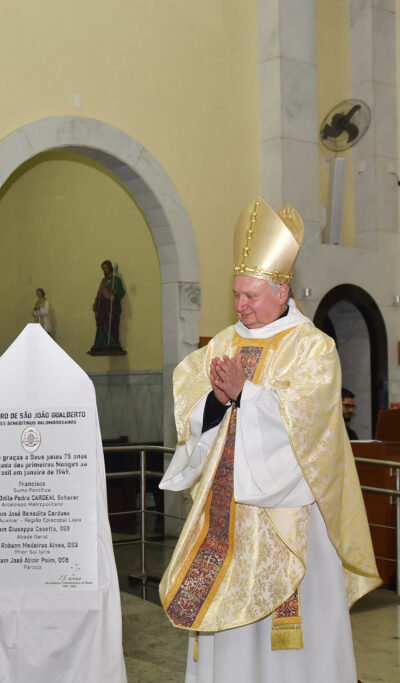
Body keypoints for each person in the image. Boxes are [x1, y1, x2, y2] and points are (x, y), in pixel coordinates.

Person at [158, 198, 380, 682]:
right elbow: (192, 413)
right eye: (236, 294)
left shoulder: (314, 348)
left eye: (251, 297)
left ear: (281, 292)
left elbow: (310, 423)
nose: (240, 305)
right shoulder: (223, 343)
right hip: (228, 519)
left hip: (291, 516)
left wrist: (248, 396)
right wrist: (218, 402)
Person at [90, 260, 125, 352]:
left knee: (111, 326)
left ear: (110, 268)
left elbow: (122, 292)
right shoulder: (103, 281)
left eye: (105, 268)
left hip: (112, 309)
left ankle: (113, 343)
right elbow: (99, 294)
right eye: (103, 269)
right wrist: (96, 303)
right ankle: (101, 344)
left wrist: (116, 293)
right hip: (103, 308)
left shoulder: (116, 281)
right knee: (102, 325)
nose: (104, 270)